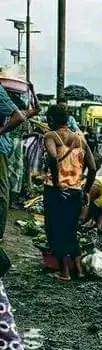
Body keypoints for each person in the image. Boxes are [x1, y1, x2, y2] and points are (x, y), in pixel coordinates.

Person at [43, 104, 96, 282]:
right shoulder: (81, 139)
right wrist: (86, 190)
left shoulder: (51, 136)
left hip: (56, 191)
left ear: (51, 120)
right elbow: (93, 168)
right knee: (71, 230)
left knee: (56, 229)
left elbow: (52, 156)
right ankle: (79, 270)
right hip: (76, 191)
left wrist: (57, 182)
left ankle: (65, 272)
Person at [0, 83, 38, 240]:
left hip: (6, 146)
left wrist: (1, 131)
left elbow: (22, 115)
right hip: (10, 145)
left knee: (5, 183)